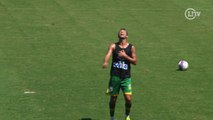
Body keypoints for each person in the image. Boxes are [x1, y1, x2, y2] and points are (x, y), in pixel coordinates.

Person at [102, 28, 137, 120]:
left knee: (128, 99)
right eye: (120, 32)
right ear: (118, 35)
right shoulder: (113, 46)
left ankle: (127, 115)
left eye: (124, 32)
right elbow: (108, 53)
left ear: (127, 36)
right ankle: (112, 117)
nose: (122, 32)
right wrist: (105, 62)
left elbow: (135, 61)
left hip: (126, 78)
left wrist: (125, 56)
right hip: (115, 77)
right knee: (113, 100)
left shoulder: (131, 47)